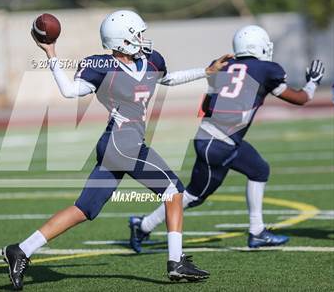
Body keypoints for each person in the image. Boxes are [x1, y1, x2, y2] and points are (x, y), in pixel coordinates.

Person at [2, 10, 231, 290]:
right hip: (124, 144)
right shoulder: (101, 66)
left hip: (117, 144)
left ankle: (21, 250)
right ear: (122, 39)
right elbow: (69, 91)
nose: (142, 38)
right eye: (137, 34)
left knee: (83, 209)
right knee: (174, 191)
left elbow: (167, 79)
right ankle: (176, 262)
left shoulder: (151, 60)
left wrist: (205, 71)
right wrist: (51, 52)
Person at [129, 25, 325, 253]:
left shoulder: (223, 66)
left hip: (210, 137)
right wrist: (313, 82)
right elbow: (301, 98)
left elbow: (205, 106)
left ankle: (257, 230)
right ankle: (143, 225)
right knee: (196, 195)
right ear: (259, 46)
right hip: (221, 143)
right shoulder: (267, 69)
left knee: (258, 169)